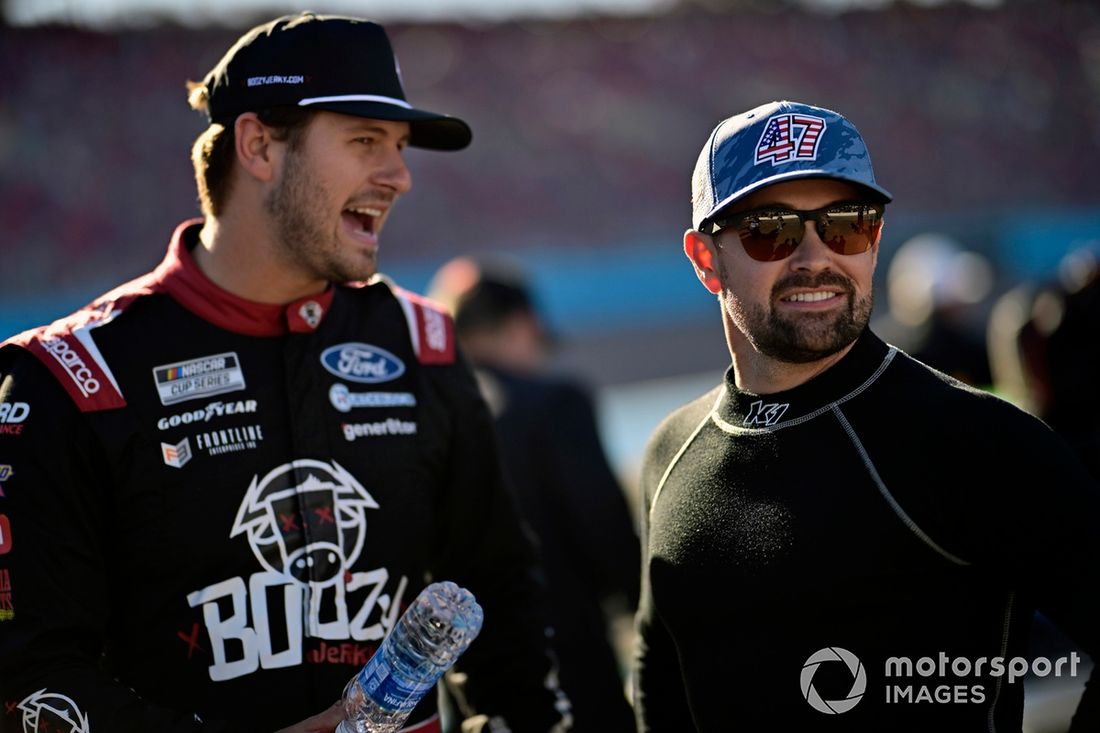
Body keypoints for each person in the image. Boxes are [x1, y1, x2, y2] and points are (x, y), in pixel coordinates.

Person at [0, 13, 572, 733]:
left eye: (398, 147)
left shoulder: (421, 342)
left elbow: (504, 602)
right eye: (365, 140)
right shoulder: (71, 377)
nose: (399, 175)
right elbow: (29, 679)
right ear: (259, 145)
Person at [631, 100, 1100, 731]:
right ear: (705, 259)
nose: (815, 257)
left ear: (874, 240)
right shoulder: (671, 452)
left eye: (846, 223)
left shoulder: (977, 441)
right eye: (772, 229)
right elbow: (659, 678)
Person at [428, 256, 640, 733]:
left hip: (463, 681)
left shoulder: (426, 415)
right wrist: (643, 611)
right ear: (523, 325)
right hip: (566, 660)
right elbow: (602, 525)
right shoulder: (554, 403)